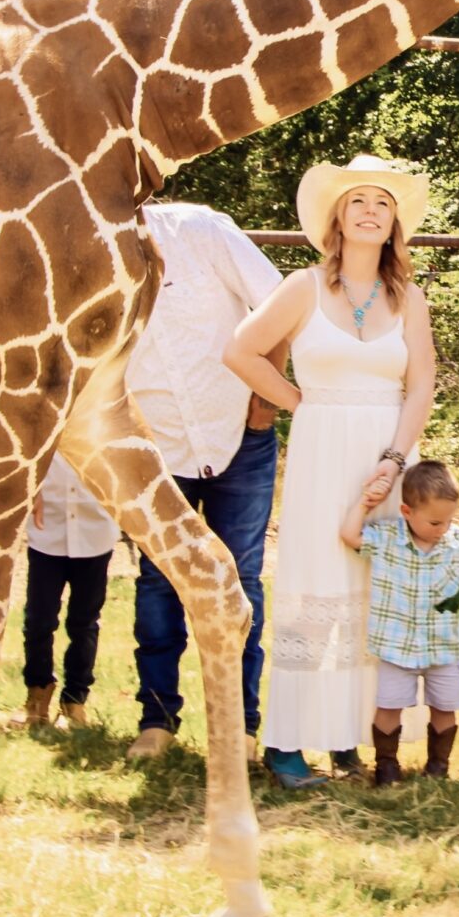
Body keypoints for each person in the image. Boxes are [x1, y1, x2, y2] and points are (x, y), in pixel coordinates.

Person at [224, 155, 437, 788]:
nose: (371, 211)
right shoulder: (304, 288)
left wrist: (396, 459)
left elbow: (421, 381)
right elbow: (239, 349)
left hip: (388, 449)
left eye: (382, 203)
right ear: (337, 220)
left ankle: (352, 736)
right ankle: (287, 742)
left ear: (394, 222)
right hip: (321, 447)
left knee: (377, 592)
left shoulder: (409, 296)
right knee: (315, 587)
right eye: (358, 202)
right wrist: (298, 402)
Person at [120, 201, 286, 762]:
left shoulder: (201, 229)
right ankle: (157, 719)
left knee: (241, 579)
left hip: (240, 433)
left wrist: (265, 401)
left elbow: (280, 306)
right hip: (156, 450)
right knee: (158, 580)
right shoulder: (85, 243)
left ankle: (239, 725)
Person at [341, 459, 459, 783]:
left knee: (444, 707)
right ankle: (386, 766)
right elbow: (350, 535)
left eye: (449, 520)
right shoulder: (387, 539)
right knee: (389, 706)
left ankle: (438, 766)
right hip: (396, 646)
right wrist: (364, 503)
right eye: (436, 522)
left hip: (444, 646)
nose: (443, 529)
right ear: (407, 512)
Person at [20, 456, 117, 728]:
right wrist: (32, 488)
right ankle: (36, 695)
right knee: (38, 619)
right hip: (47, 530)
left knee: (84, 623)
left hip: (94, 530)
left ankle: (74, 701)